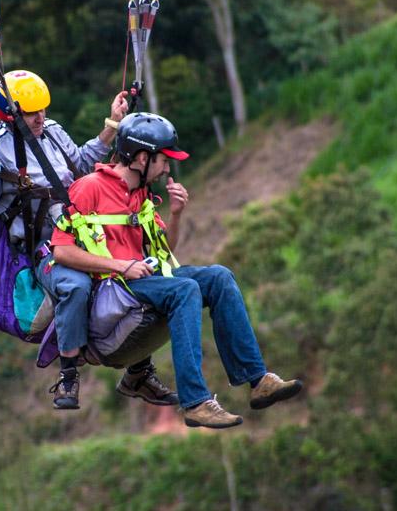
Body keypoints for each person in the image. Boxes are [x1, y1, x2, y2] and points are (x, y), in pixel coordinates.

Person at [50, 112, 303, 429]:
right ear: (142, 158)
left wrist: (177, 214)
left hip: (146, 280)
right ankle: (196, 402)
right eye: (163, 160)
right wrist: (120, 265)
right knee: (186, 290)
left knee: (219, 277)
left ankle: (257, 379)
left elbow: (166, 249)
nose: (168, 168)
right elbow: (61, 250)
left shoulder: (140, 193)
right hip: (112, 292)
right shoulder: (89, 188)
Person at [0, 70, 178, 410]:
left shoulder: (53, 132)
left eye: (42, 110)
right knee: (75, 286)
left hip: (83, 232)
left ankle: (139, 371)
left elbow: (80, 164)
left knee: (138, 270)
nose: (40, 118)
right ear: (10, 113)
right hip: (44, 248)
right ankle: (68, 375)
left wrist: (113, 125)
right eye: (32, 113)